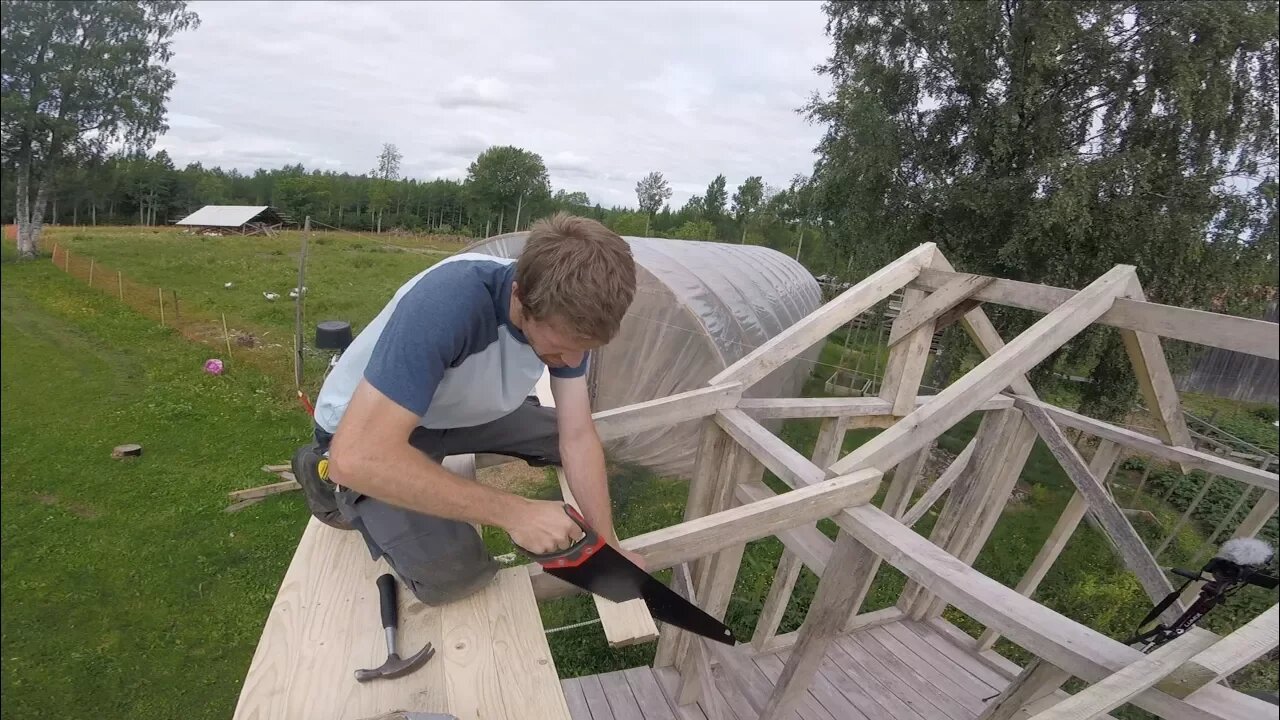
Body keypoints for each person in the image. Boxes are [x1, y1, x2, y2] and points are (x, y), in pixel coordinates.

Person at [291, 213, 640, 605]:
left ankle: (422, 461)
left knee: (557, 436)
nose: (571, 359)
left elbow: (577, 435)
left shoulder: (564, 307)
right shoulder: (447, 303)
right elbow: (356, 458)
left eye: (585, 347)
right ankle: (321, 481)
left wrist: (608, 547)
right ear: (521, 297)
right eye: (559, 346)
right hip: (364, 431)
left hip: (451, 408)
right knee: (456, 576)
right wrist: (517, 513)